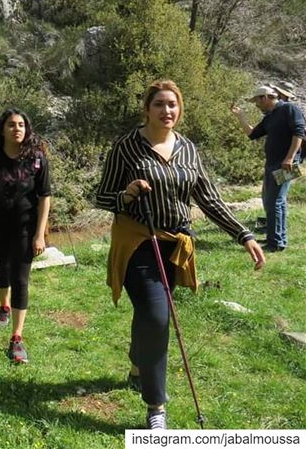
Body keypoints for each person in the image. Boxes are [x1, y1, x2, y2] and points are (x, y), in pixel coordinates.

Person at [96, 80, 265, 430]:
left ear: (180, 108)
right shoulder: (127, 147)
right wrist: (126, 195)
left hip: (175, 246)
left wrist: (243, 234)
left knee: (150, 314)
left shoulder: (188, 149)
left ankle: (137, 362)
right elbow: (101, 197)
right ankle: (156, 407)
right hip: (138, 242)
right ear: (147, 108)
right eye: (159, 104)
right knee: (158, 317)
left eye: (172, 104)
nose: (166, 110)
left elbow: (208, 198)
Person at [0, 109, 51, 365]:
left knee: (20, 279)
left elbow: (45, 197)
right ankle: (4, 306)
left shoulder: (37, 159)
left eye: (21, 125)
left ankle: (17, 337)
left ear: (26, 130)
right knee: (2, 270)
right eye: (11, 125)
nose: (17, 129)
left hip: (25, 228)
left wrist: (40, 234)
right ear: (2, 129)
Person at [231, 85, 304, 252]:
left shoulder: (289, 109)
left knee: (275, 202)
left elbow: (298, 132)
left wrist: (290, 158)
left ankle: (276, 243)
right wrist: (240, 116)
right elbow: (252, 134)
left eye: (256, 101)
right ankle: (275, 236)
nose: (256, 105)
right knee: (272, 200)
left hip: (287, 163)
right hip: (272, 163)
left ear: (264, 98)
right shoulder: (270, 117)